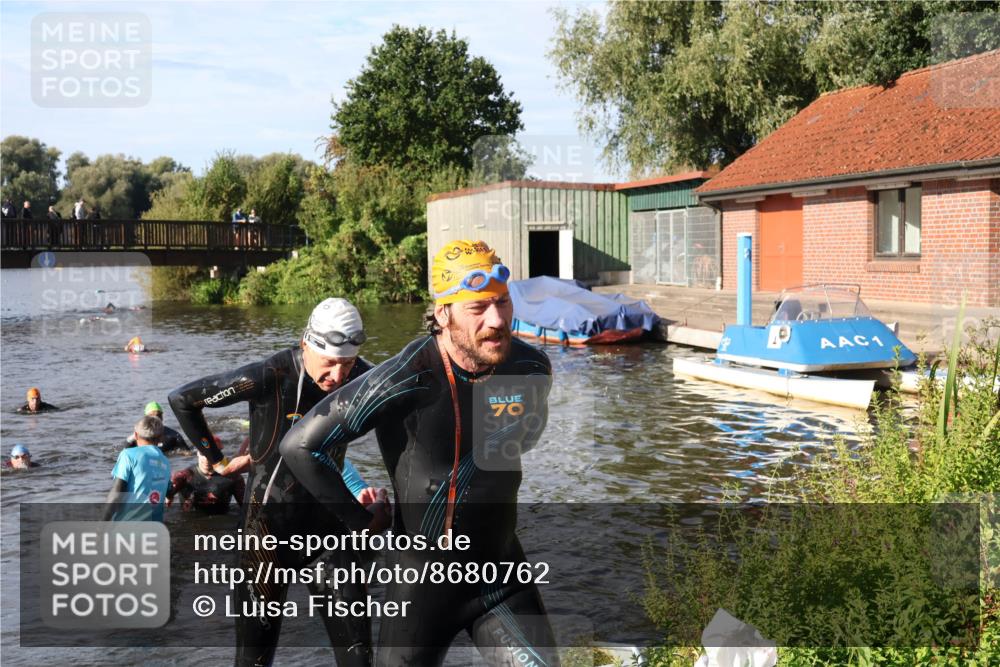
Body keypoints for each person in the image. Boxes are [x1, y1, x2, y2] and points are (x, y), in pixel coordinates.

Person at [280, 240, 558, 667]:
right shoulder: (405, 377)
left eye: (502, 303)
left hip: (501, 575)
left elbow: (522, 441)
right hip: (424, 587)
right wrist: (361, 522)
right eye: (478, 308)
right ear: (443, 312)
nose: (498, 319)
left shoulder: (530, 368)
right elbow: (300, 445)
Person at [169, 297, 389, 667]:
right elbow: (184, 400)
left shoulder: (365, 377)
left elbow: (406, 421)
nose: (338, 377)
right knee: (255, 660)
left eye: (347, 364)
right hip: (265, 535)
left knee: (359, 657)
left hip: (328, 535)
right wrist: (216, 458)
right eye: (330, 363)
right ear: (307, 345)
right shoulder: (270, 375)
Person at [102, 415, 171, 521]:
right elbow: (168, 491)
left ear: (135, 435)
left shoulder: (128, 455)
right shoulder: (166, 462)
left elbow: (116, 495)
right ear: (161, 437)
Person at [167, 445, 246, 515]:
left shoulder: (233, 478)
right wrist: (168, 494)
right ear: (198, 453)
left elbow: (247, 508)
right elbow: (165, 494)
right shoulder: (183, 476)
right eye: (203, 454)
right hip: (190, 524)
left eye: (210, 455)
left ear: (219, 455)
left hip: (220, 525)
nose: (206, 459)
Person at [125, 401, 192, 454]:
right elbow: (124, 454)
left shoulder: (174, 436)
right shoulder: (135, 437)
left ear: (162, 417)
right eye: (151, 416)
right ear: (145, 418)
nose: (155, 418)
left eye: (158, 415)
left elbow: (188, 454)